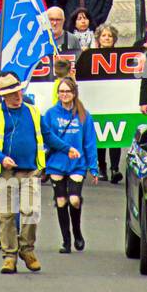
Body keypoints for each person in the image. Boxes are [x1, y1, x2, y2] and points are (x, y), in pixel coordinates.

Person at [0, 71, 45, 274]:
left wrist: (67, 149)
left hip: (29, 169)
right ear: (3, 96)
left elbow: (48, 135)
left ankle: (27, 249)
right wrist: (2, 158)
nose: (17, 96)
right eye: (12, 93)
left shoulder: (33, 111)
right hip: (5, 172)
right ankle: (9, 256)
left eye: (18, 91)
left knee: (31, 211)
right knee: (6, 214)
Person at [42, 77, 97, 254]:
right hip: (56, 163)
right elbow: (47, 138)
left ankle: (77, 233)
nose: (64, 95)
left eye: (67, 91)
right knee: (60, 201)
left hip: (77, 164)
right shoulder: (50, 114)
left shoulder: (83, 115)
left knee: (73, 200)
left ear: (74, 93)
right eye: (61, 91)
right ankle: (66, 241)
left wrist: (93, 167)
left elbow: (89, 142)